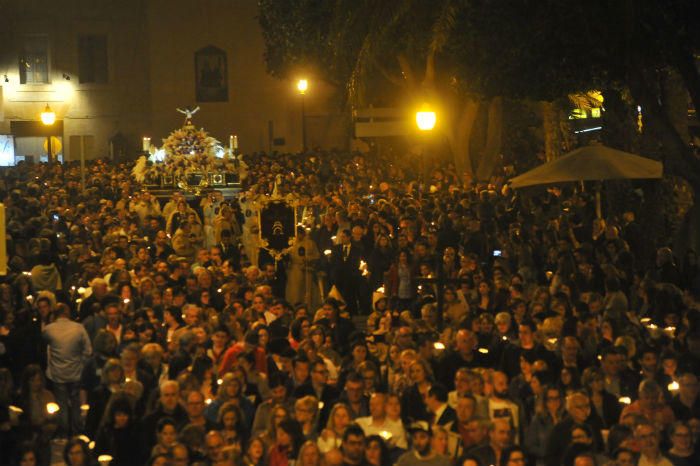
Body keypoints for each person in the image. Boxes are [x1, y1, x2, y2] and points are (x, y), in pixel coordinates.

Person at [42, 302, 92, 437]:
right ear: (68, 313)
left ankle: (63, 434)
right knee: (77, 405)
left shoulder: (49, 329)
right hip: (76, 372)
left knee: (61, 405)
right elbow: (88, 351)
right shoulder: (79, 328)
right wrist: (80, 361)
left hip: (57, 374)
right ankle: (77, 433)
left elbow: (42, 346)